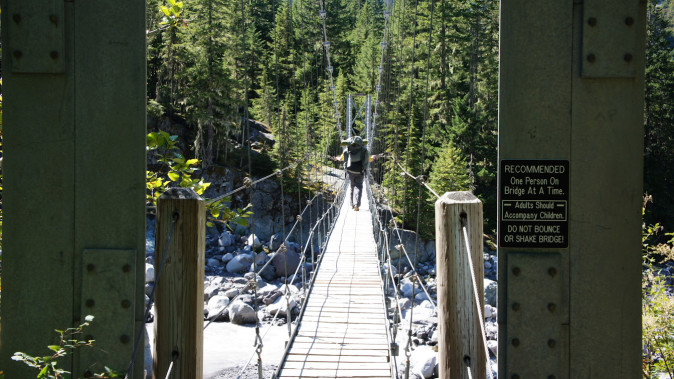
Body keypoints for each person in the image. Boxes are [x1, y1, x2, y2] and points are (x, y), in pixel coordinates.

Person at [332, 136, 370, 211]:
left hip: (350, 171)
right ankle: (356, 204)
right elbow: (366, 162)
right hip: (360, 171)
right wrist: (364, 169)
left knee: (352, 186)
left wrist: (345, 168)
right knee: (358, 186)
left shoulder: (347, 150)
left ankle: (352, 204)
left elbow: (345, 161)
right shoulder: (364, 150)